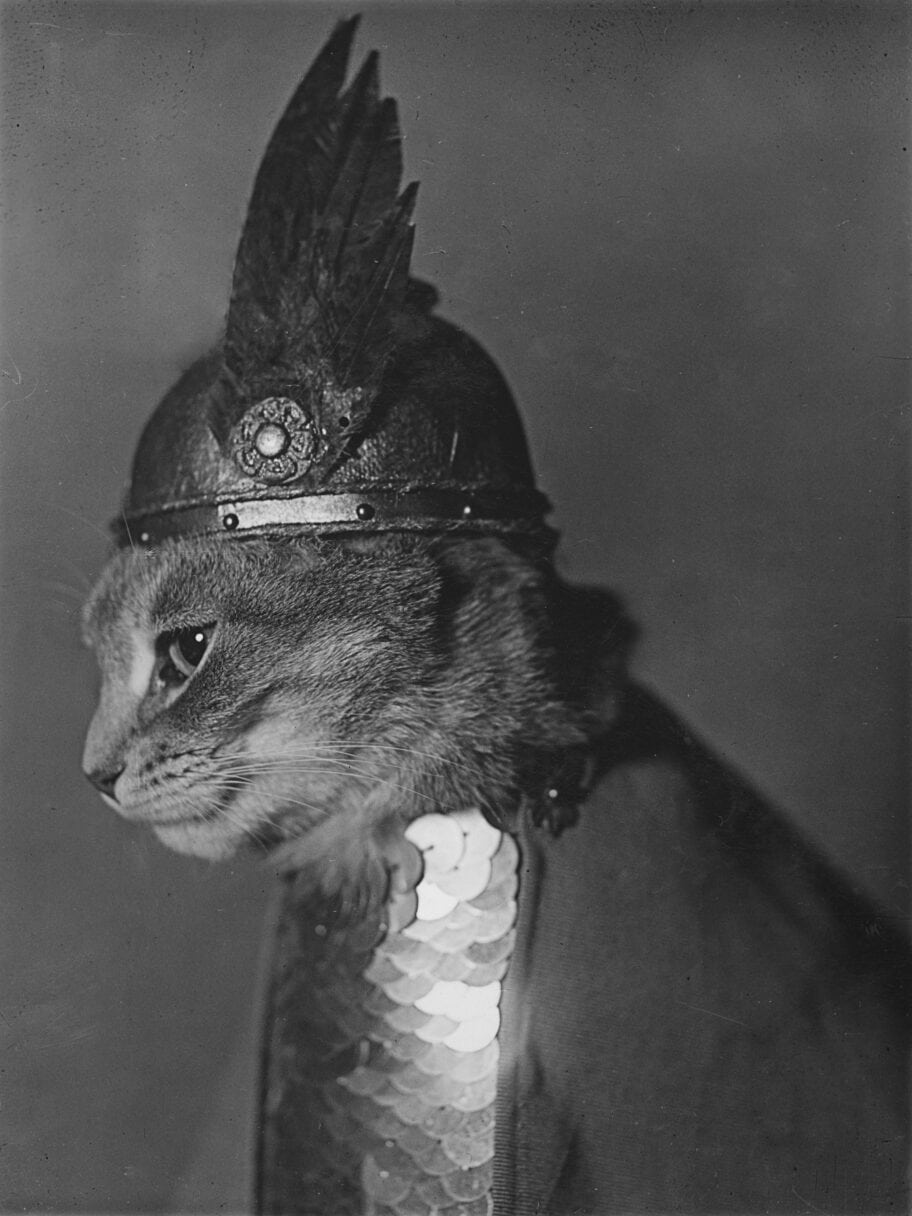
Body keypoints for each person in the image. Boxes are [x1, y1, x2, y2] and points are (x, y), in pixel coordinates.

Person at [83, 19, 910, 1215]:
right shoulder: (359, 852)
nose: (101, 759)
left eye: (186, 653)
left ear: (425, 598)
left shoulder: (632, 887)